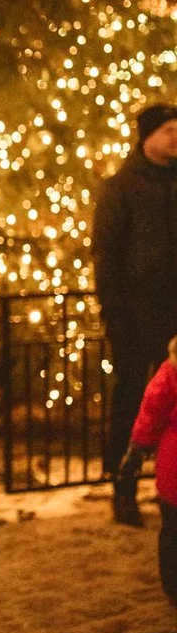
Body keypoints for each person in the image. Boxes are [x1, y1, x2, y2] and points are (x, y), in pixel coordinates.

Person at [92, 102, 177, 526]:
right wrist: (116, 317)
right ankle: (123, 491)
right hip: (135, 319)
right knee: (130, 405)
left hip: (174, 321)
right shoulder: (121, 188)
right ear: (147, 136)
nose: (176, 136)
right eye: (168, 129)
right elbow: (106, 258)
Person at [119, 334, 177, 603]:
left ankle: (173, 585)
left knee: (172, 532)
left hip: (172, 470)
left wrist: (137, 450)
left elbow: (151, 414)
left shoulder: (170, 371)